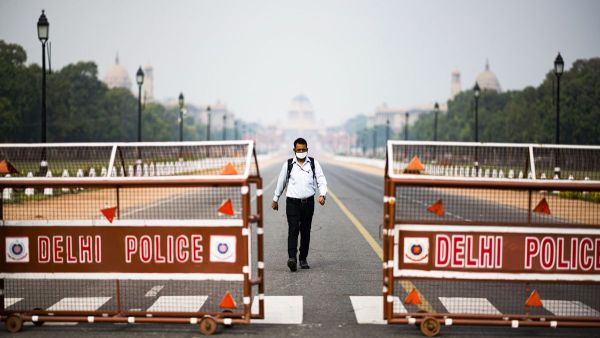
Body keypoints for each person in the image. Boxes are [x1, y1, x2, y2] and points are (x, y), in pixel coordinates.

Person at [272, 138, 327, 272]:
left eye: (303, 149)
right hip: (292, 203)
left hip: (308, 202)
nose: (301, 152)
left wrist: (322, 194)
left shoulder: (313, 163)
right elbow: (281, 182)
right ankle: (292, 258)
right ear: (294, 150)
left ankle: (303, 258)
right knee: (293, 229)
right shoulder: (289, 164)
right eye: (299, 150)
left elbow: (321, 179)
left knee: (305, 231)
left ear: (307, 149)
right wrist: (275, 199)